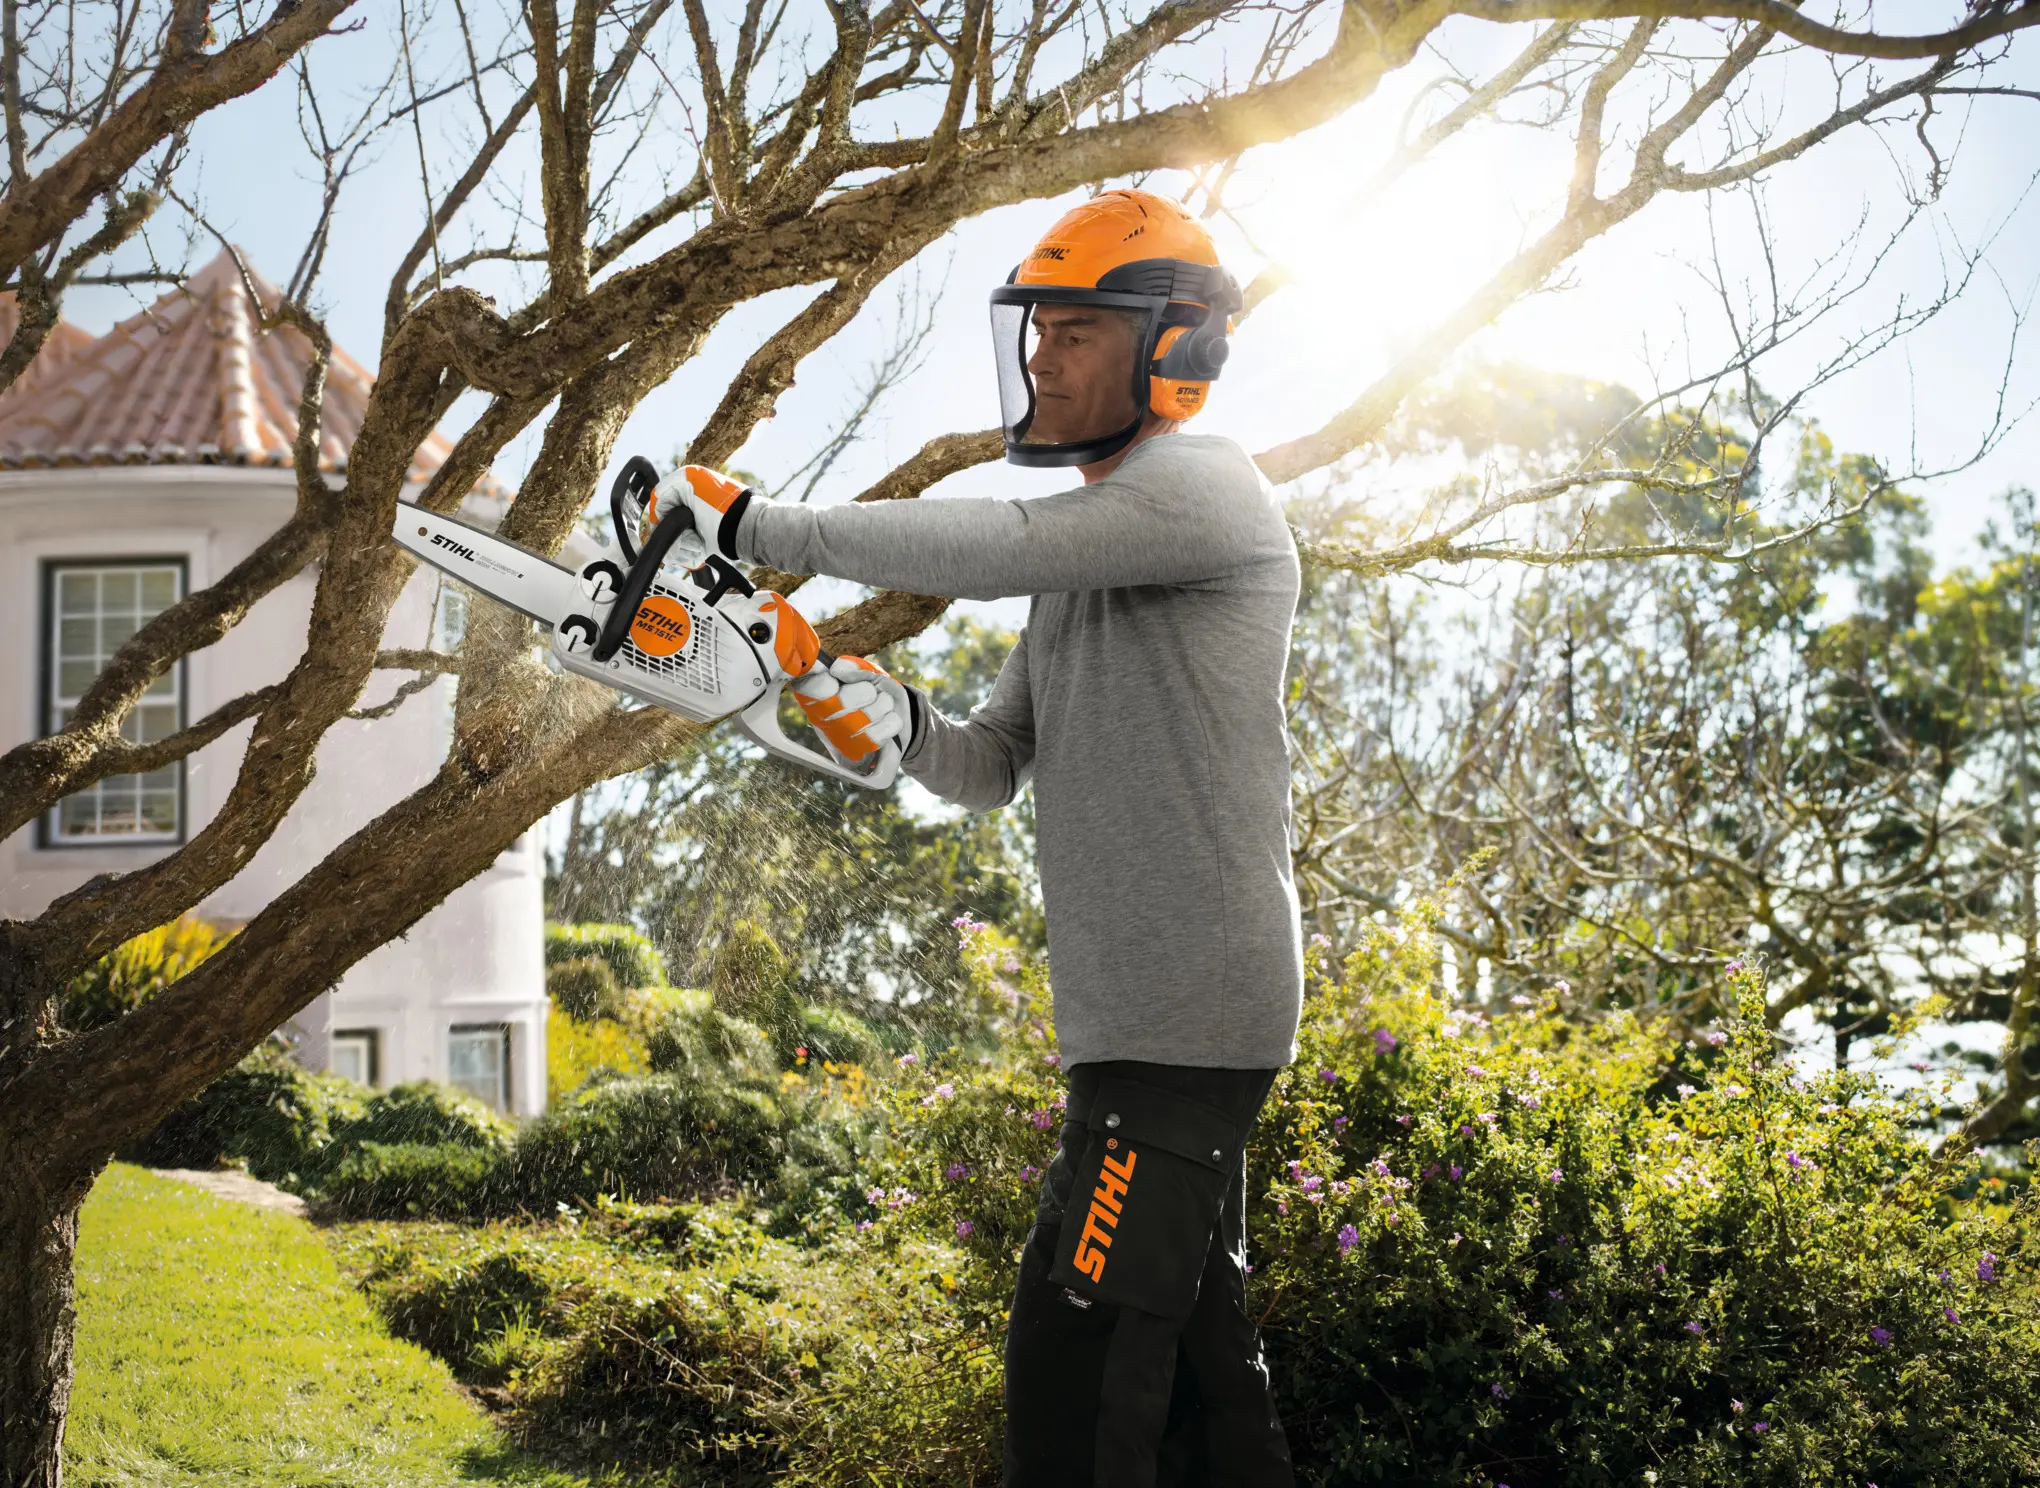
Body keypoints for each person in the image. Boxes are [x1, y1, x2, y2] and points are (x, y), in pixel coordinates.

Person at [644, 188, 1302, 1487]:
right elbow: (991, 763)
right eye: (1036, 329)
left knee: (1076, 1372)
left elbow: (1000, 542)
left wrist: (762, 532)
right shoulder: (1084, 579)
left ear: (1173, 347)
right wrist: (861, 704)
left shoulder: (1208, 491)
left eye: (1075, 331)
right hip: (1140, 1024)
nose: (1041, 356)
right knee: (1196, 1383)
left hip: (1184, 1018)